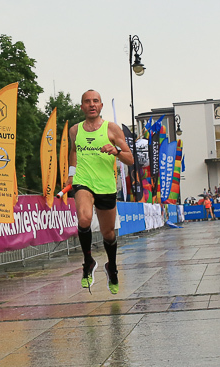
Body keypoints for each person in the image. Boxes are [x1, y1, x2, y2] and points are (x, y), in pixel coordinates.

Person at [66, 90, 134, 295]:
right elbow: (74, 151)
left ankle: (111, 267)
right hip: (83, 182)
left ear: (101, 106)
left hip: (105, 185)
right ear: (82, 107)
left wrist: (116, 151)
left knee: (108, 233)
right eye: (87, 102)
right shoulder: (75, 130)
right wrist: (71, 174)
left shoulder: (112, 129)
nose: (91, 104)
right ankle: (88, 262)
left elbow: (130, 159)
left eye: (95, 101)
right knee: (84, 219)